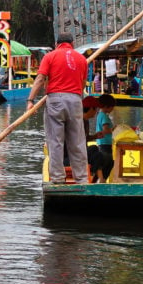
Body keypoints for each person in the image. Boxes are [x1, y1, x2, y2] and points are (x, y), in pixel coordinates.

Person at [27, 33, 89, 184]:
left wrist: (30, 100)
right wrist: (75, 98)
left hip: (55, 100)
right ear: (72, 43)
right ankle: (81, 179)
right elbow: (82, 83)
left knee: (55, 141)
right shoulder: (82, 59)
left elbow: (41, 79)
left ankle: (57, 178)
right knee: (77, 142)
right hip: (75, 100)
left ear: (56, 44)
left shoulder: (50, 56)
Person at [89, 94, 116, 182]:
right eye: (112, 106)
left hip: (103, 143)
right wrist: (115, 129)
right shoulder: (104, 116)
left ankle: (101, 179)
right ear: (106, 106)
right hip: (105, 143)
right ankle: (102, 179)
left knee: (107, 162)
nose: (113, 109)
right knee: (108, 161)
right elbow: (106, 130)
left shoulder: (100, 115)